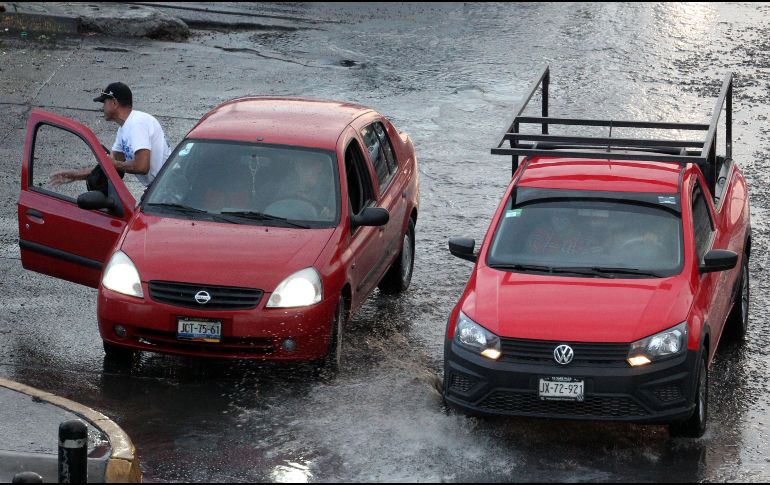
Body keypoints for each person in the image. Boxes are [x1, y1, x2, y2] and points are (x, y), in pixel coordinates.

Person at [50, 82, 172, 189]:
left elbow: (141, 167)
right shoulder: (123, 130)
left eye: (104, 102)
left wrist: (112, 163)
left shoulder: (137, 123)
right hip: (159, 187)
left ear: (114, 102)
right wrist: (74, 175)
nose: (102, 107)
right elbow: (111, 166)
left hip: (170, 186)